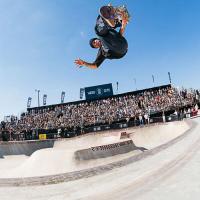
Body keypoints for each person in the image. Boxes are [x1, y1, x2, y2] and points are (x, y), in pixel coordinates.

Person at [75, 5, 129, 69]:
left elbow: (119, 36)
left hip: (121, 41)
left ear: (97, 39)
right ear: (97, 47)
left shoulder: (109, 32)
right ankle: (109, 17)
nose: (96, 43)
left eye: (95, 41)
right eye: (95, 45)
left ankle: (114, 17)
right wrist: (84, 63)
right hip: (120, 52)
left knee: (103, 31)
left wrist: (123, 25)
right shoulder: (102, 52)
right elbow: (95, 66)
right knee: (98, 32)